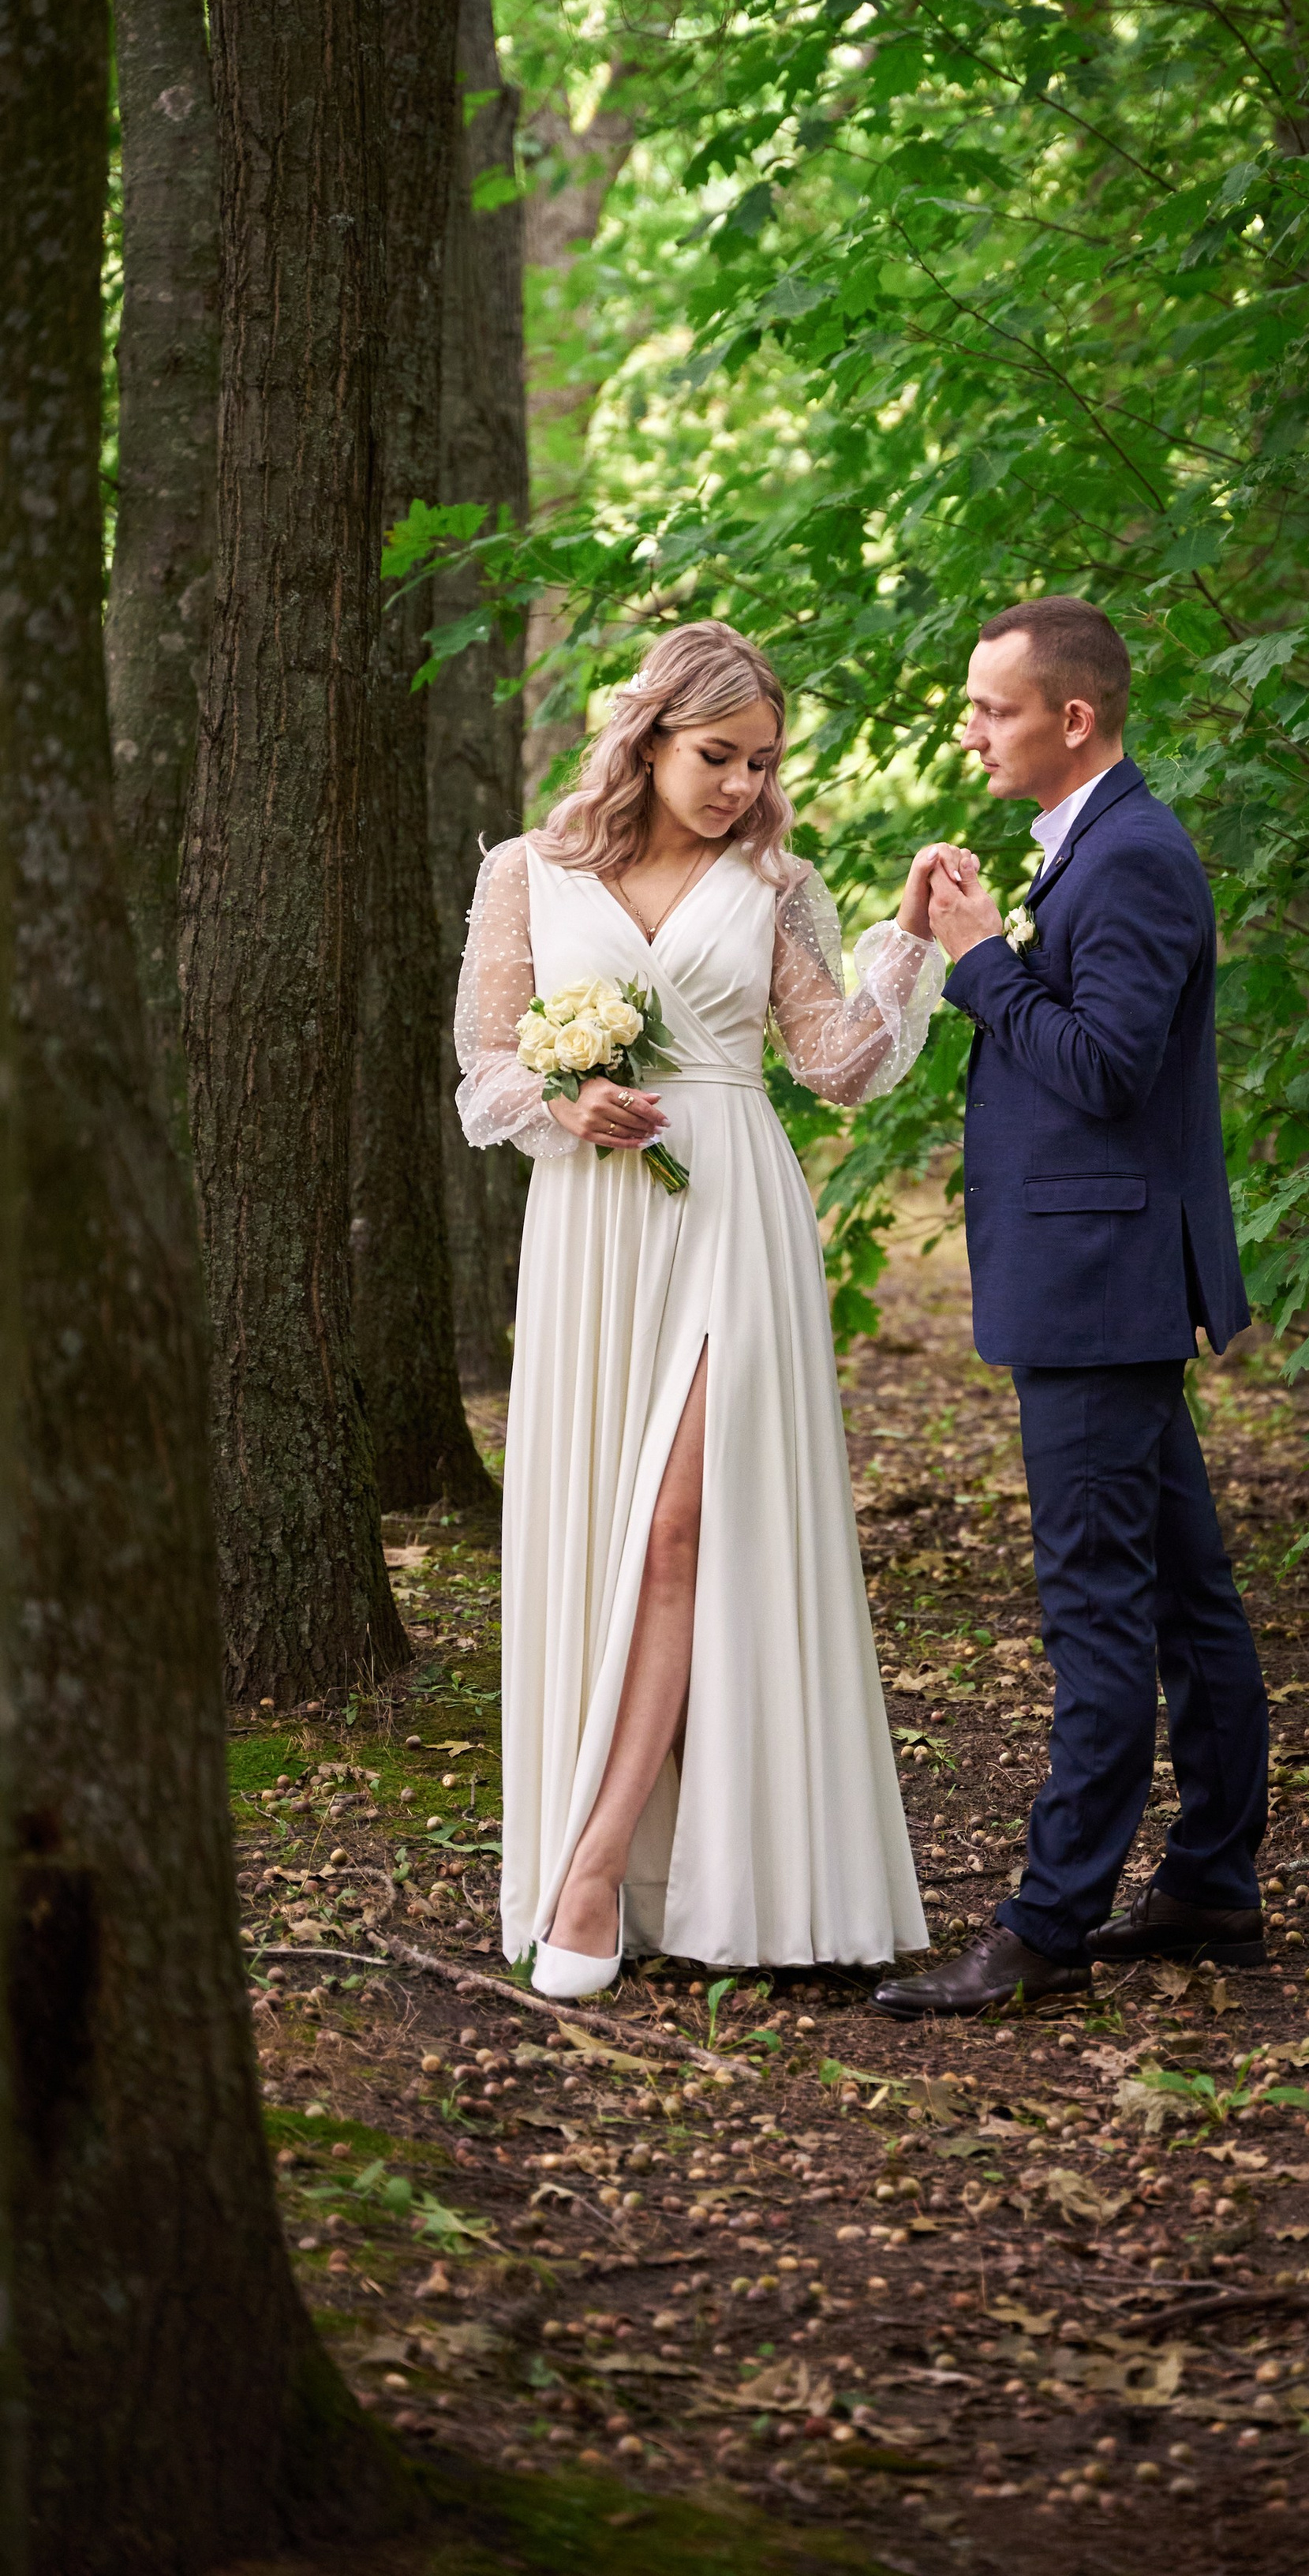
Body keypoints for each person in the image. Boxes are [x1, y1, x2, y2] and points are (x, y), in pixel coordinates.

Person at [454, 622, 951, 1998]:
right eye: (716, 755)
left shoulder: (776, 881)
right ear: (650, 735)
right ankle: (619, 1854)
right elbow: (485, 1068)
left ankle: (597, 1870)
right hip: (594, 1231)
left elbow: (837, 1066)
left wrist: (907, 942)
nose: (738, 784)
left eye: (762, 762)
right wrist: (563, 1098)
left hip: (734, 1207)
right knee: (604, 1531)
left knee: (681, 1529)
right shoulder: (527, 874)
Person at [876, 596, 1270, 2019]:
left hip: (1099, 1289)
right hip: (1097, 1281)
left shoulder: (1139, 858)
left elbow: (1104, 1068)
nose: (972, 729)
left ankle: (1048, 1921)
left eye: (993, 709)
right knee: (1185, 1597)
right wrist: (991, 947)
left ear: (1075, 720)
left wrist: (987, 964)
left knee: (1099, 1605)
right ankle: (1216, 1882)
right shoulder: (1095, 849)